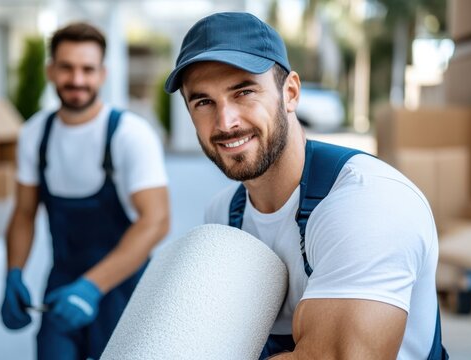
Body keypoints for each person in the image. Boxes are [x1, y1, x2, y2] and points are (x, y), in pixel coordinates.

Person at [165, 12, 447, 360]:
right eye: (204, 101)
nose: (226, 122)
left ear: (291, 93)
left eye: (244, 92)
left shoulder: (368, 201)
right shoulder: (224, 214)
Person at [1, 22, 170, 360]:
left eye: (87, 69)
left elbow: (156, 221)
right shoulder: (36, 134)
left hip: (124, 286)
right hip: (62, 283)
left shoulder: (130, 134)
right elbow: (23, 213)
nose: (77, 80)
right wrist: (13, 273)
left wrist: (92, 286)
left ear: (103, 73)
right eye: (66, 67)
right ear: (51, 70)